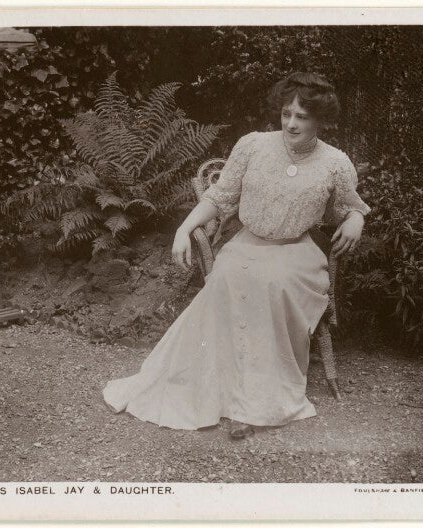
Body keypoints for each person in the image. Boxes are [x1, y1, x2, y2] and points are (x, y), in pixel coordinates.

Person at [103, 72, 369, 439]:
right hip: (246, 244)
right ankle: (221, 390)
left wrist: (356, 219)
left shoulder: (335, 163)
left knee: (271, 283)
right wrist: (183, 229)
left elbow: (349, 207)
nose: (291, 123)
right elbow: (219, 197)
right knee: (230, 276)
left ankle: (259, 402)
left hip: (295, 255)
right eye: (286, 113)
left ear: (320, 120)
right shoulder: (253, 146)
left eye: (302, 117)